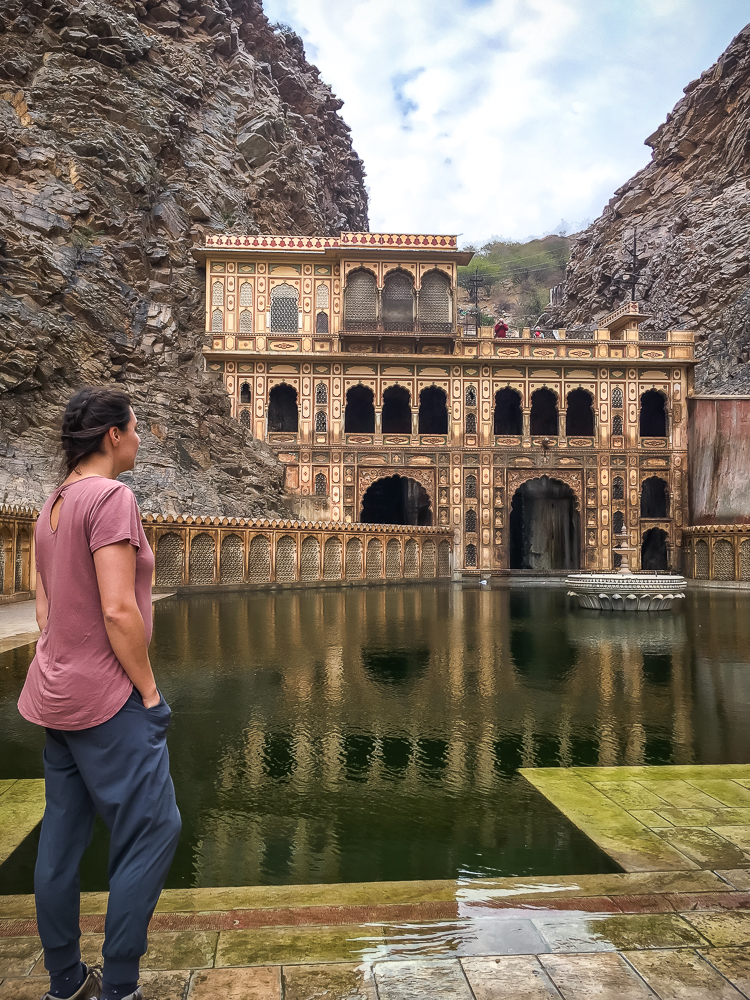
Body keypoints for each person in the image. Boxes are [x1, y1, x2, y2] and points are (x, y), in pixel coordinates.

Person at [18, 387, 181, 1000]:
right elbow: (118, 610)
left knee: (61, 840)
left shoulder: (52, 504)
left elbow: (44, 605)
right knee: (154, 828)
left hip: (55, 694)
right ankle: (119, 982)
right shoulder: (111, 497)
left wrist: (58, 655)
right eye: (135, 428)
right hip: (108, 698)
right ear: (113, 435)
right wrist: (149, 693)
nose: (140, 438)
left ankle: (64, 978)